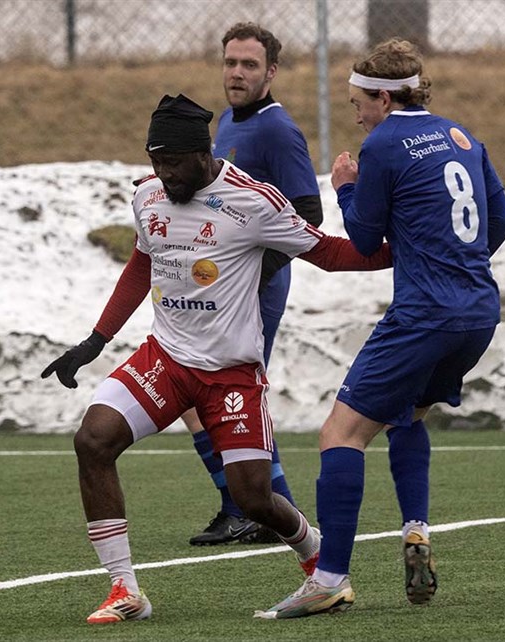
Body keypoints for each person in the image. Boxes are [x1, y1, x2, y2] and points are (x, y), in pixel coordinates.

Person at [40, 93, 392, 624]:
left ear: (204, 155)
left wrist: (409, 249)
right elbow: (141, 265)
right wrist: (95, 341)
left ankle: (314, 552)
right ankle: (124, 590)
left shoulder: (253, 202)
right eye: (156, 162)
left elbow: (328, 253)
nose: (164, 175)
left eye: (173, 163)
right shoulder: (149, 197)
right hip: (165, 360)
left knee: (254, 499)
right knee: (93, 440)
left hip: (231, 377)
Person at [256, 38, 505, 619]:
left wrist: (345, 185)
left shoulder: (382, 145)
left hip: (424, 315)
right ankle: (416, 528)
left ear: (384, 99)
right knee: (407, 415)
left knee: (339, 435)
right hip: (478, 313)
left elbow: (366, 236)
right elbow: (501, 219)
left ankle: (328, 579)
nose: (355, 115)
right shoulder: (461, 135)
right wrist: (456, 261)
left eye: (357, 103)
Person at [184, 22, 324, 547]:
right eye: (230, 63)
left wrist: (252, 272)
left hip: (255, 290)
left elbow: (308, 214)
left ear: (271, 72)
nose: (237, 73)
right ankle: (253, 508)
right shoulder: (226, 121)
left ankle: (260, 510)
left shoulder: (277, 130)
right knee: (199, 395)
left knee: (228, 395)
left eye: (249, 64)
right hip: (218, 289)